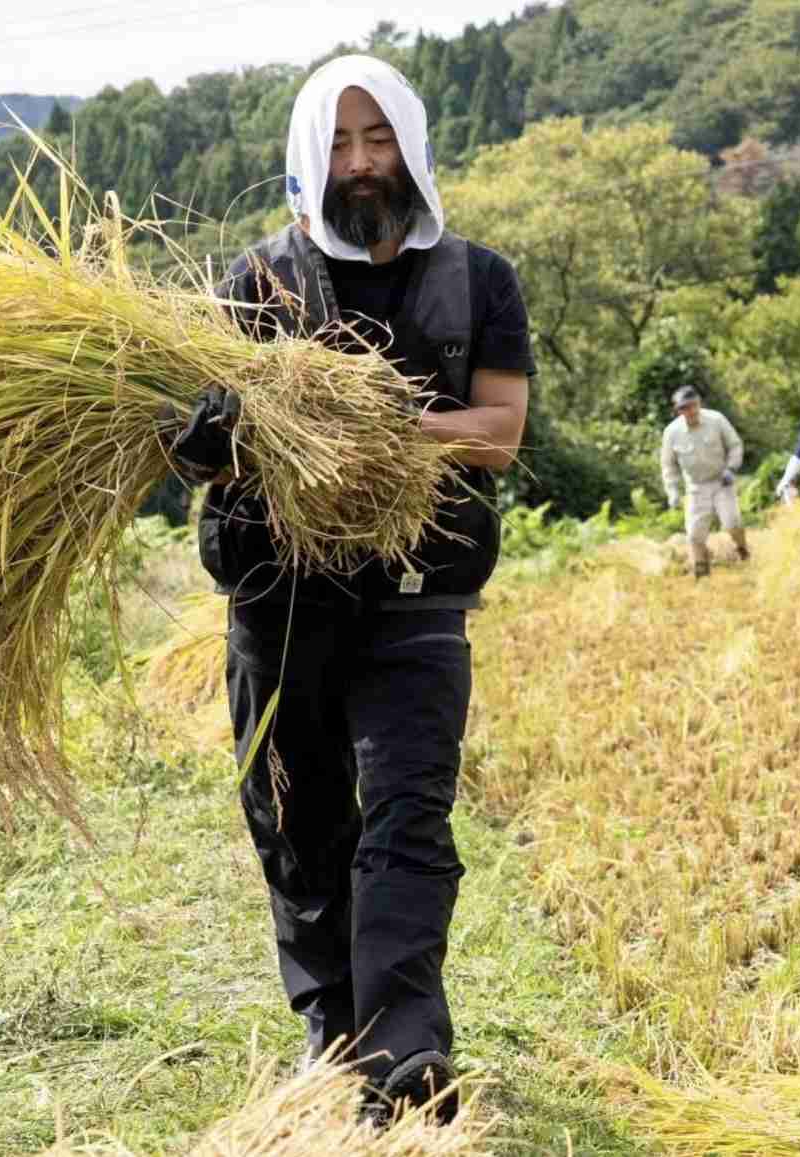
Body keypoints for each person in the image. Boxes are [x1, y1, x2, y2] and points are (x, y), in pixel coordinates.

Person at [163, 55, 533, 1123]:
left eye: (378, 141)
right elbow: (197, 454)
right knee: (295, 819)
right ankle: (332, 1035)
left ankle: (407, 1057)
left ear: (411, 148)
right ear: (307, 155)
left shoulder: (476, 279)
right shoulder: (256, 280)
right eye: (339, 142)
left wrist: (360, 429)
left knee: (407, 821)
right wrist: (202, 441)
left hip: (417, 596)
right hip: (278, 598)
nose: (362, 164)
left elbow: (498, 435)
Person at [660, 385, 749, 579]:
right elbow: (669, 466)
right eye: (684, 408)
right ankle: (702, 573)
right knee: (694, 534)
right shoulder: (671, 432)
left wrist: (731, 468)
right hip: (696, 487)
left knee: (732, 523)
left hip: (721, 480)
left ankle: (743, 550)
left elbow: (735, 445)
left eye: (692, 406)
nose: (690, 411)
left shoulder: (716, 420)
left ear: (699, 403)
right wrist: (673, 492)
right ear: (678, 411)